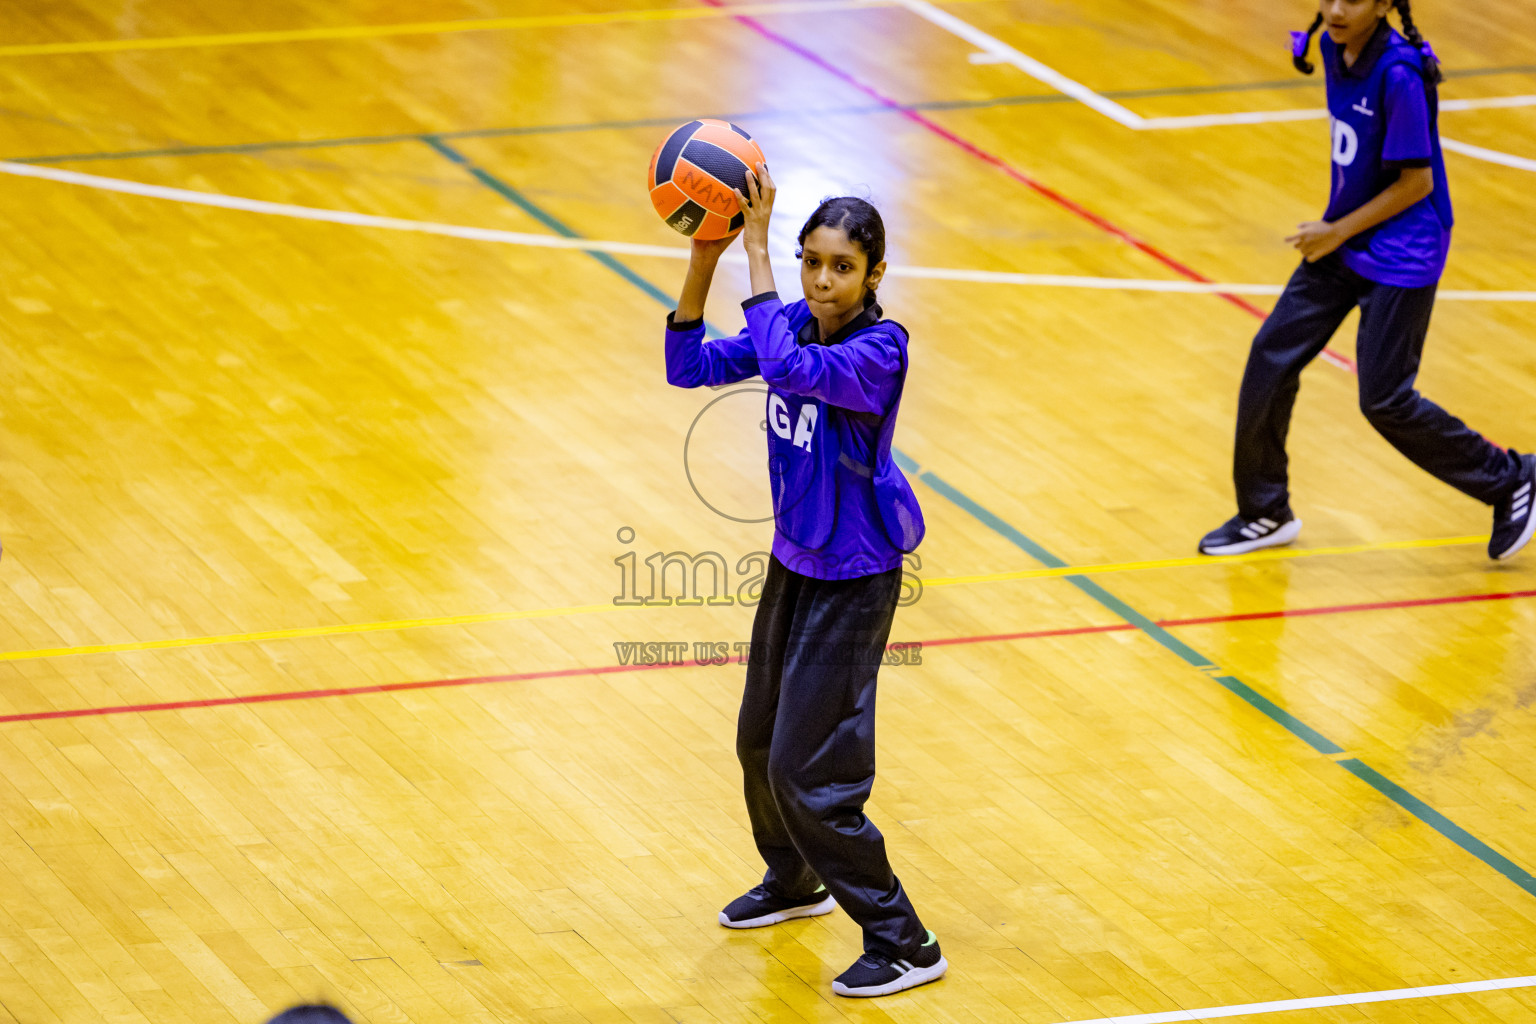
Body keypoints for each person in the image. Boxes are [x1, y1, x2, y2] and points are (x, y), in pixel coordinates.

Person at [663, 171, 944, 998]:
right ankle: (794, 880)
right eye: (810, 262)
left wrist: (757, 251)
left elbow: (787, 370)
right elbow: (689, 367)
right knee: (758, 740)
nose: (822, 281)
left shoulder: (877, 352)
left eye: (841, 268)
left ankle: (903, 938)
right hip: (796, 563)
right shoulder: (789, 322)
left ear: (874, 276)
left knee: (808, 772)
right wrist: (705, 260)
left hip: (857, 576)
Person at [1199, 0, 1534, 559]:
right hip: (1347, 236)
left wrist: (1334, 231)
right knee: (1270, 357)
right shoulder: (1332, 44)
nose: (1334, 8)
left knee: (1385, 400)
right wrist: (1338, 231)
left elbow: (1417, 184)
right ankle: (1264, 510)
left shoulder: (1400, 74)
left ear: (1382, 5)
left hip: (1403, 251)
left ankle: (1511, 479)